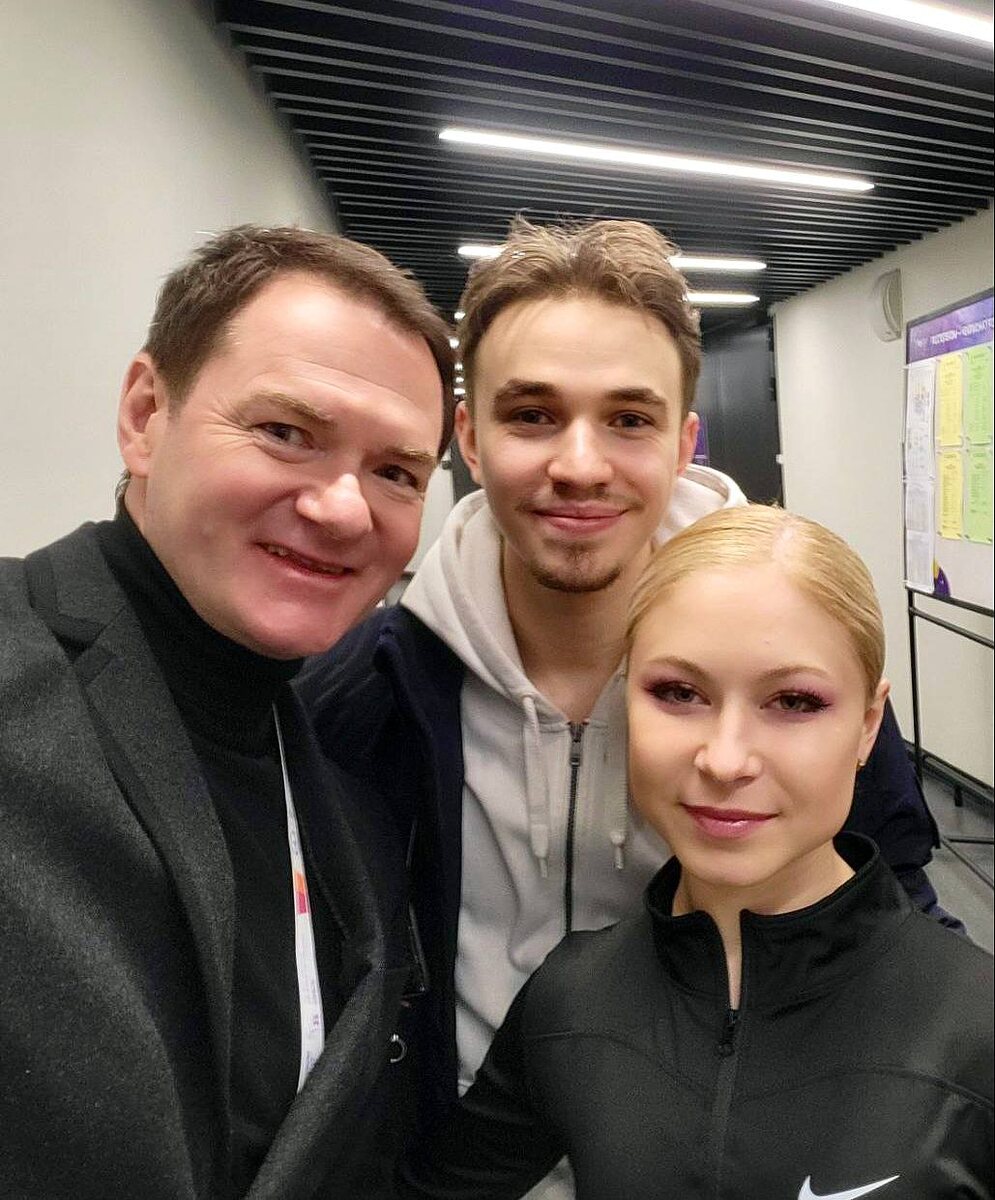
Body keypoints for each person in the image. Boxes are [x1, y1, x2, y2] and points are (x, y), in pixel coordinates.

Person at [297, 218, 952, 1197]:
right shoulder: (367, 693)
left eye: (628, 420)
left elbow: (892, 906)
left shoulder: (793, 668)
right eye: (531, 415)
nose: (579, 464)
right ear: (466, 437)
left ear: (683, 441)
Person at [0, 225, 454, 1199]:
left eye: (396, 472)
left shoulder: (351, 815)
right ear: (144, 414)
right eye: (286, 432)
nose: (343, 509)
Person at [397, 505, 994, 1200]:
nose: (725, 759)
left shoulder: (973, 1026)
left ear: (867, 726)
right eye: (678, 693)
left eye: (794, 702)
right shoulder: (572, 998)